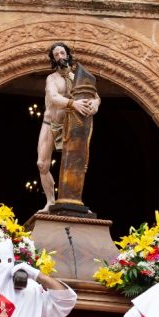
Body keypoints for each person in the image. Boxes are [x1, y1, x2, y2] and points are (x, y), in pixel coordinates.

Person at [38, 42, 100, 211]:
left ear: (68, 55)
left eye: (62, 53)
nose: (60, 57)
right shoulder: (51, 79)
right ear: (53, 59)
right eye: (56, 55)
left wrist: (95, 104)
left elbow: (96, 96)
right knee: (42, 164)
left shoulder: (78, 77)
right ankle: (50, 201)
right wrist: (73, 103)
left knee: (78, 162)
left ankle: (74, 200)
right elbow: (54, 98)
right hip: (51, 123)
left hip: (72, 125)